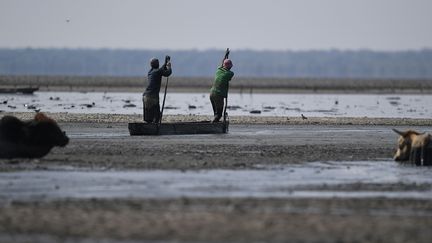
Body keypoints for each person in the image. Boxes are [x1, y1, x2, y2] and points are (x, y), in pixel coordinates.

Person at [143, 56, 172, 123]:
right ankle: (155, 129)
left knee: (148, 117)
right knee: (156, 116)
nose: (159, 64)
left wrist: (165, 62)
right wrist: (169, 66)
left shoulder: (150, 71)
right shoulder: (157, 71)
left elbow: (161, 69)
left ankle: (149, 129)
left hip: (145, 96)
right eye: (158, 63)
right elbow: (167, 73)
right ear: (157, 64)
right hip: (152, 97)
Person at [210, 49, 234, 122]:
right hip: (218, 95)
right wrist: (226, 57)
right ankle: (213, 126)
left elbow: (222, 65)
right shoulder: (230, 73)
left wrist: (225, 56)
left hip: (212, 94)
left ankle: (215, 123)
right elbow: (226, 68)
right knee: (219, 115)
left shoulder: (218, 70)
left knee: (216, 114)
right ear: (230, 67)